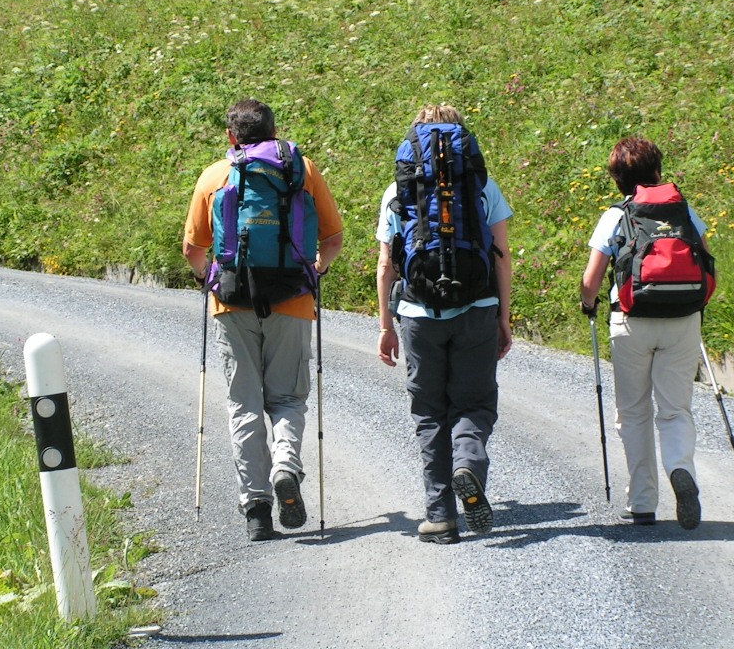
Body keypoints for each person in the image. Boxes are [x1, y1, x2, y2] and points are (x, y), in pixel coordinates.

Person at [183, 99, 343, 542]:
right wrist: (315, 269)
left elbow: (193, 251)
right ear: (275, 133)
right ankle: (286, 467)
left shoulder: (215, 175)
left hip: (232, 302)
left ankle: (257, 510)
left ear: (231, 136)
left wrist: (208, 278)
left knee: (244, 404)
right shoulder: (301, 170)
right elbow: (332, 237)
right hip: (292, 298)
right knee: (289, 398)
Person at [375, 104, 513, 544]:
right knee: (474, 403)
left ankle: (440, 516)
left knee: (430, 412)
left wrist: (385, 324)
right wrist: (504, 317)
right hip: (477, 305)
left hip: (417, 313)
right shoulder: (481, 183)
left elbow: (385, 266)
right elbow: (502, 257)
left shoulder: (399, 186)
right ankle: (467, 463)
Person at [579, 136, 709, 530]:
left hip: (631, 322)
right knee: (674, 410)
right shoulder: (685, 211)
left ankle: (642, 503)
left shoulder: (615, 216)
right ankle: (680, 471)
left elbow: (591, 281)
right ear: (657, 169)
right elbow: (705, 261)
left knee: (633, 413)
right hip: (683, 320)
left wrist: (588, 305)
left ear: (619, 178)